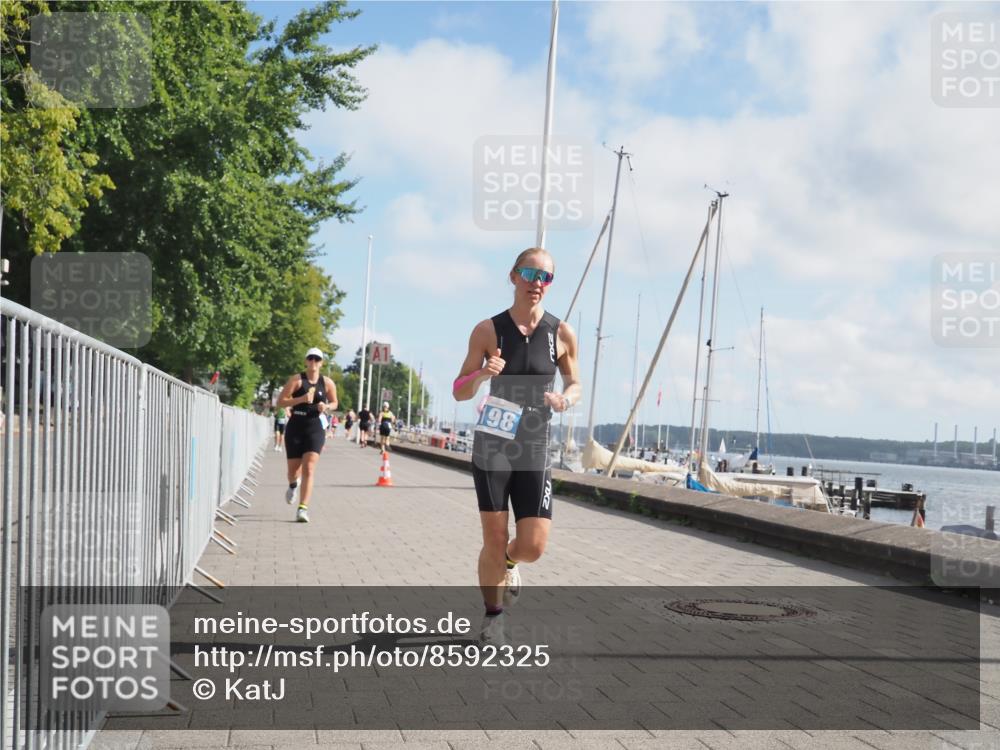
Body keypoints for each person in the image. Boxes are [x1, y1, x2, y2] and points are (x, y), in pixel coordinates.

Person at [452, 247, 580, 644]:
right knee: (493, 537)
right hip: (494, 441)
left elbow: (575, 384)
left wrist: (565, 399)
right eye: (529, 274)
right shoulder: (488, 330)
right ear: (513, 277)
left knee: (533, 545)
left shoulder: (560, 332)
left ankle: (509, 562)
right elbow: (459, 390)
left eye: (545, 277)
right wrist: (482, 374)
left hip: (535, 443)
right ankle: (493, 617)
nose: (536, 283)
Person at [275, 347, 338, 523]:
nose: (313, 362)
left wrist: (326, 407)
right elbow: (280, 402)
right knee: (293, 471)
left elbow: (335, 402)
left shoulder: (327, 383)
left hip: (315, 426)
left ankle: (302, 509)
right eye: (310, 358)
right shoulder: (296, 380)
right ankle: (293, 485)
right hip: (296, 425)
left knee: (309, 468)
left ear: (321, 363)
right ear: (305, 361)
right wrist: (301, 400)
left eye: (317, 359)